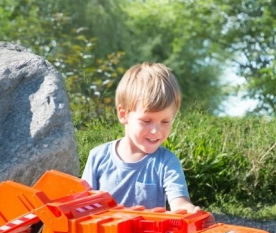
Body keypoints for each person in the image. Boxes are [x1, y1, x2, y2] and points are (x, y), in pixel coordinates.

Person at [81, 62, 199, 213]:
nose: (156, 130)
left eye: (165, 121)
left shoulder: (167, 162)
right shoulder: (98, 157)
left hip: (149, 229)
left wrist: (192, 212)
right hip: (104, 229)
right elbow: (83, 206)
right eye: (146, 121)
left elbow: (180, 204)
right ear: (123, 115)